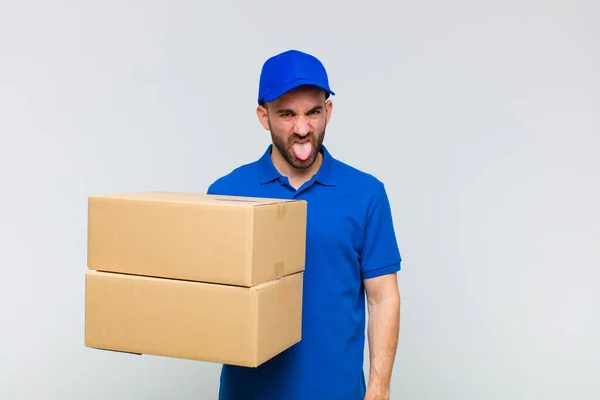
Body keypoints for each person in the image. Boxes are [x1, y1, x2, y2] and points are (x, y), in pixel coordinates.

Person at [207, 49, 402, 400]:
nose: (302, 129)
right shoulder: (226, 193)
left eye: (313, 112)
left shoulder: (365, 194)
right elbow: (208, 297)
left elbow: (382, 297)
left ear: (328, 111)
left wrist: (379, 386)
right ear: (263, 116)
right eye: (286, 114)